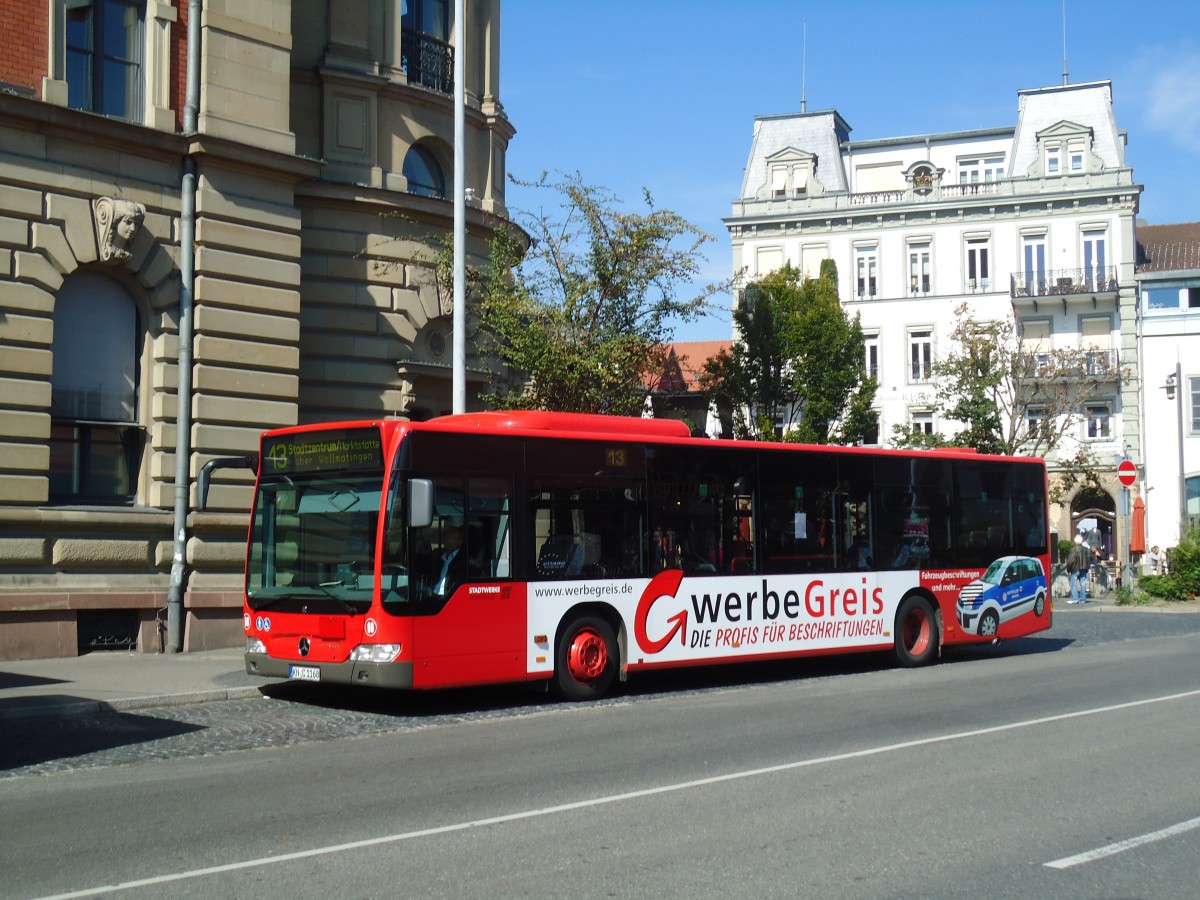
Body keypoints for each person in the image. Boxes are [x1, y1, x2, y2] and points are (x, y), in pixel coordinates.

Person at [432, 526, 468, 597]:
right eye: (446, 538)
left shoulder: (463, 560)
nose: (447, 541)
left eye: (451, 539)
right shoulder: (441, 557)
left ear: (460, 542)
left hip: (447, 597)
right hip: (434, 593)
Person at [1066, 535, 1091, 604]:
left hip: (1075, 568)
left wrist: (1068, 569)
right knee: (1083, 584)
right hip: (1084, 568)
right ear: (1082, 541)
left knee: (1073, 584)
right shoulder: (1086, 549)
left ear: (1075, 541)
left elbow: (1070, 561)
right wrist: (1087, 568)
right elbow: (1088, 559)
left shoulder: (1073, 550)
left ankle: (1075, 599)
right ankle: (1083, 599)